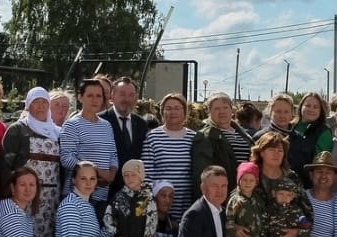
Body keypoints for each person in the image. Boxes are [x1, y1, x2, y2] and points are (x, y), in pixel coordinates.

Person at [1, 87, 62, 237]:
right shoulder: (17, 130)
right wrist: (12, 192)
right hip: (25, 194)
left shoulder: (58, 133)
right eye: (36, 102)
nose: (41, 106)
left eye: (44, 102)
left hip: (52, 196)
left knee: (49, 236)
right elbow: (7, 165)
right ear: (28, 105)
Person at [59, 79, 119, 204]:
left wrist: (111, 175)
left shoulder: (107, 125)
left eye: (98, 96)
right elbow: (66, 158)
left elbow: (113, 155)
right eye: (90, 95)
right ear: (80, 97)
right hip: (77, 196)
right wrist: (96, 172)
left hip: (101, 196)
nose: (95, 99)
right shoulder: (72, 125)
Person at [142, 93, 196, 223]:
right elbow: (146, 175)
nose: (173, 112)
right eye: (168, 108)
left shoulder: (194, 138)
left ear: (185, 112)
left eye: (177, 108)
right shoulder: (152, 137)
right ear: (162, 112)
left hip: (186, 204)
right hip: (160, 207)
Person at [190, 92, 253, 195]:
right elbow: (201, 173)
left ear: (231, 110)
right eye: (217, 108)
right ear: (209, 112)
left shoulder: (243, 134)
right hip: (221, 194)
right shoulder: (205, 136)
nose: (222, 111)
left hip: (244, 193)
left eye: (225, 107)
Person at [100, 76, 148, 198]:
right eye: (122, 94)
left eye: (131, 95)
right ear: (112, 96)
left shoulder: (141, 124)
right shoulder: (100, 121)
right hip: (105, 192)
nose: (126, 99)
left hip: (134, 194)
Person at [291, 93, 333, 187]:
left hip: (308, 185)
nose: (311, 109)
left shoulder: (324, 132)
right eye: (308, 105)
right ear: (301, 107)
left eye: (315, 107)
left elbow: (321, 164)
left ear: (320, 110)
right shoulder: (290, 127)